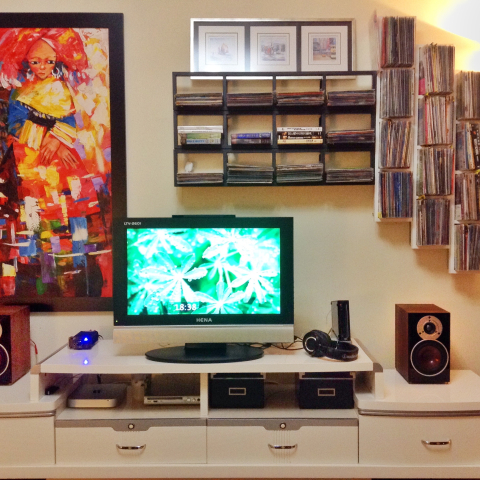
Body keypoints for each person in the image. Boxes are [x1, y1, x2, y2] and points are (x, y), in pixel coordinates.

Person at [0, 28, 110, 298]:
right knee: (35, 213)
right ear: (26, 61)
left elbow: (70, 121)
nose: (42, 67)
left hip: (63, 163)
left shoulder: (62, 88)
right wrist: (46, 138)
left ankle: (78, 267)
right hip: (30, 161)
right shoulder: (19, 93)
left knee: (74, 208)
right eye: (36, 61)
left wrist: (58, 142)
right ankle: (40, 274)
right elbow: (15, 126)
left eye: (49, 61)